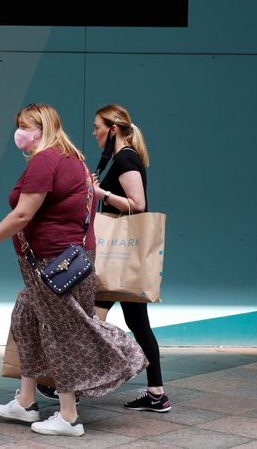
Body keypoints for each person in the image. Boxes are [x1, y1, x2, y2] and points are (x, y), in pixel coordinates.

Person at [0, 103, 147, 436]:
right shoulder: (72, 157)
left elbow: (22, 215)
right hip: (67, 259)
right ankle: (25, 401)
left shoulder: (46, 161)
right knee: (26, 316)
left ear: (42, 128)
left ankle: (69, 416)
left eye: (25, 126)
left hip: (52, 263)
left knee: (61, 332)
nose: (19, 133)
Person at [91, 103, 171, 413]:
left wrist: (102, 195)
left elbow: (138, 204)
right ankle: (156, 393)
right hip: (121, 261)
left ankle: (73, 386)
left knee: (92, 320)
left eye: (98, 126)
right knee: (137, 323)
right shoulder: (121, 158)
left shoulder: (125, 158)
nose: (94, 132)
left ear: (113, 129)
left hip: (117, 258)